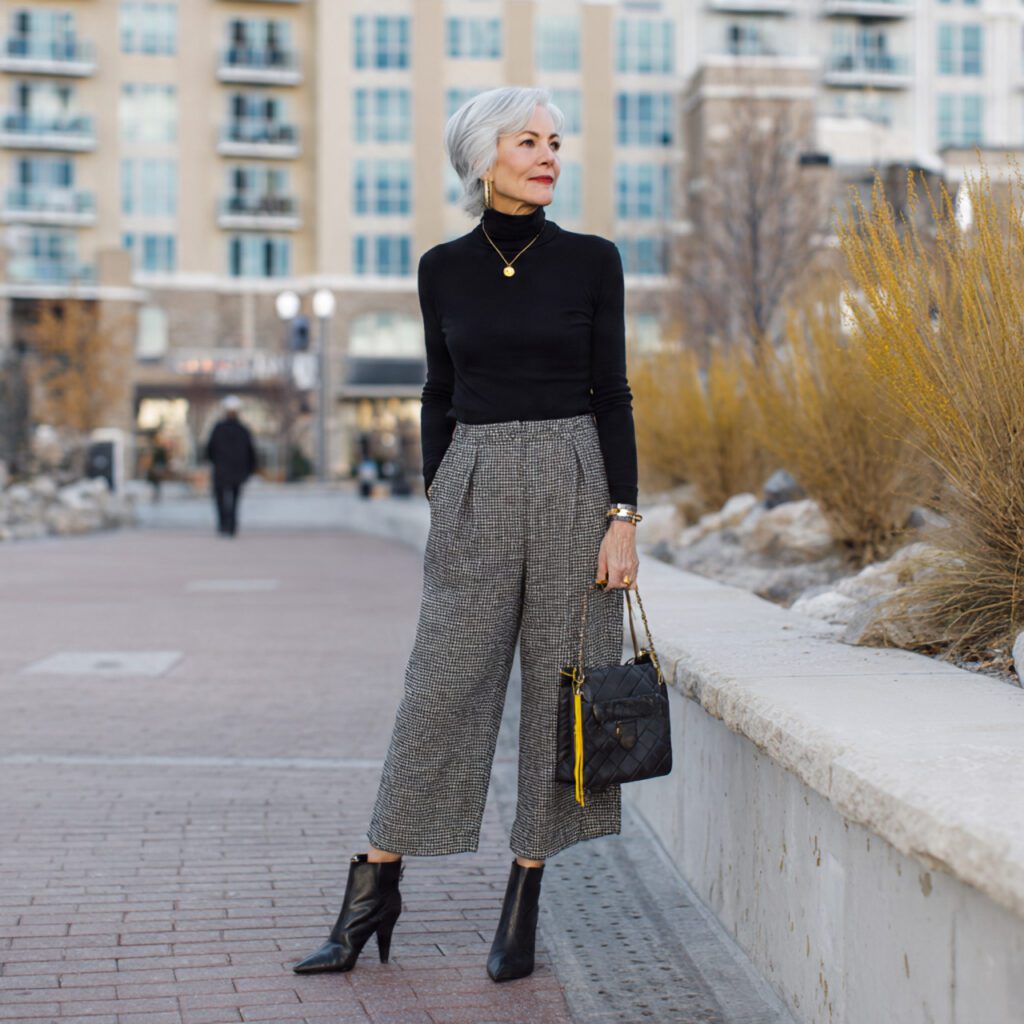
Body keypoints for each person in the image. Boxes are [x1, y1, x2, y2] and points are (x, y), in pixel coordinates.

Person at [293, 86, 642, 983]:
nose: (548, 155)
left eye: (555, 141)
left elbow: (614, 394)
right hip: (476, 482)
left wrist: (622, 519)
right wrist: (440, 487)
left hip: (574, 480)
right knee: (442, 684)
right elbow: (437, 389)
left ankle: (525, 892)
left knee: (559, 690)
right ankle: (376, 881)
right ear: (483, 154)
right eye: (528, 140)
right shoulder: (441, 267)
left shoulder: (594, 260)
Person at [204, 395, 258, 537]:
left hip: (223, 470)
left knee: (222, 498)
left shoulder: (219, 429)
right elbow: (251, 452)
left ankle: (224, 525)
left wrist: (214, 462)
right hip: (236, 471)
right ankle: (231, 526)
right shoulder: (242, 430)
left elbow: (209, 449)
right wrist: (250, 469)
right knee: (234, 499)